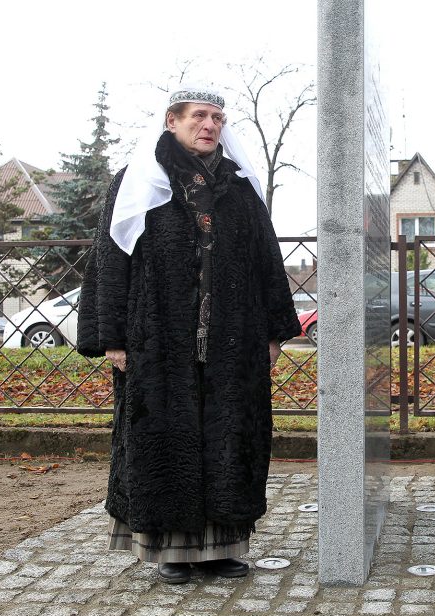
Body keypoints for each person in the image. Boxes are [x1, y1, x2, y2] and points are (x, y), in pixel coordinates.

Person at [77, 84, 301, 585]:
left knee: (230, 437)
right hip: (157, 337)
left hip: (232, 336)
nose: (210, 126)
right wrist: (111, 336)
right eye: (199, 116)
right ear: (172, 121)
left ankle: (222, 547)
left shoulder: (240, 186)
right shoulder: (136, 182)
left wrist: (272, 332)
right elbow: (111, 262)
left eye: (218, 119)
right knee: (164, 437)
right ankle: (170, 550)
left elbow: (266, 260)